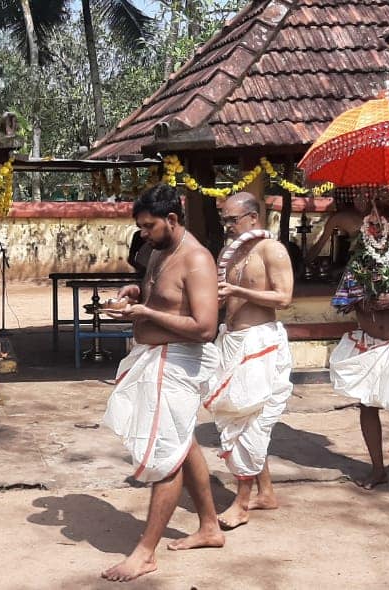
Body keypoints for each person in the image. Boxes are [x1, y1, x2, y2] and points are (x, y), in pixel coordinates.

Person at [100, 184, 225, 582]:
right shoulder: (157, 250)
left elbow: (205, 327)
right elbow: (164, 297)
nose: (144, 234)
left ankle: (145, 553)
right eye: (140, 227)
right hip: (156, 356)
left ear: (172, 219)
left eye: (149, 226)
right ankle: (209, 527)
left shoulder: (197, 259)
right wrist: (136, 294)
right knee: (182, 443)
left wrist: (143, 314)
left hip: (177, 361)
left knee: (164, 455)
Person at [208, 192, 294, 529]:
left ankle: (242, 504)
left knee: (252, 419)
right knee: (239, 419)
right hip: (230, 341)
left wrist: (239, 292)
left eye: (233, 219)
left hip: (260, 342)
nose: (227, 226)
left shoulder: (271, 249)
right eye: (225, 220)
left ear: (253, 218)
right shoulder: (228, 253)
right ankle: (266, 492)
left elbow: (284, 298)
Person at [327, 201, 389, 489]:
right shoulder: (359, 260)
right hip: (369, 343)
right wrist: (365, 301)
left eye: (382, 222)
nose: (376, 226)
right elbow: (346, 299)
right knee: (367, 404)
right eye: (372, 222)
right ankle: (377, 467)